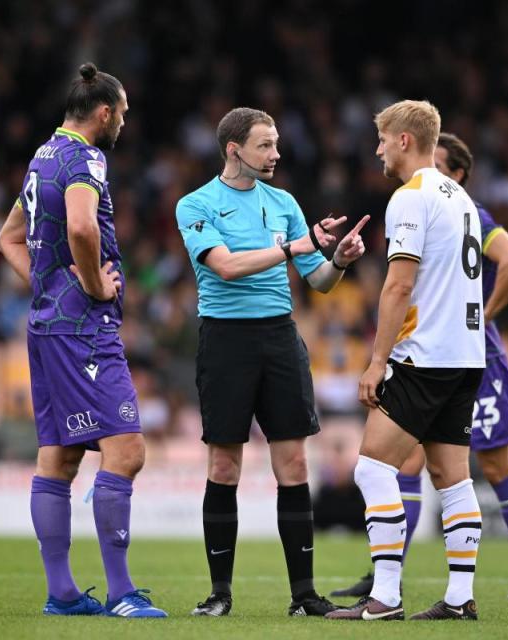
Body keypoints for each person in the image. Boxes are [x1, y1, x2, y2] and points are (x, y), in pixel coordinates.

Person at [331, 132, 508, 601]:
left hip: (452, 352)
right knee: (420, 466)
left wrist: (484, 315)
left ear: (458, 175)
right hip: (449, 352)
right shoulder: (459, 207)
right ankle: (407, 580)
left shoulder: (459, 207)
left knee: (483, 465)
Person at [175, 107, 369, 617]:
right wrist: (292, 248)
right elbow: (225, 267)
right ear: (234, 149)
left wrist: (341, 261)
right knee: (224, 465)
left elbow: (319, 282)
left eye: (277, 143)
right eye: (265, 145)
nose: (276, 154)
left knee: (295, 464)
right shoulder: (196, 204)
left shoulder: (283, 203)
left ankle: (304, 596)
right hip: (225, 342)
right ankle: (220, 594)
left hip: (280, 338)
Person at [0, 62, 166, 618]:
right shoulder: (85, 158)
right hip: (84, 332)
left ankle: (63, 594)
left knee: (61, 456)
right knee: (127, 450)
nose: (123, 122)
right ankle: (121, 594)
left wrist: (50, 287)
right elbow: (81, 228)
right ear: (103, 113)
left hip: (45, 326)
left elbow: (9, 239)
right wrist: (93, 286)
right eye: (122, 113)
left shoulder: (42, 156)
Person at [325, 102, 485, 621]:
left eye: (382, 139)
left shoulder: (409, 198)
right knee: (451, 477)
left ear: (404, 140)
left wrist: (377, 361)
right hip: (466, 352)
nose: (376, 149)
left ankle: (385, 597)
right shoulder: (460, 196)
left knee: (372, 468)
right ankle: (460, 599)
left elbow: (399, 282)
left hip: (425, 355)